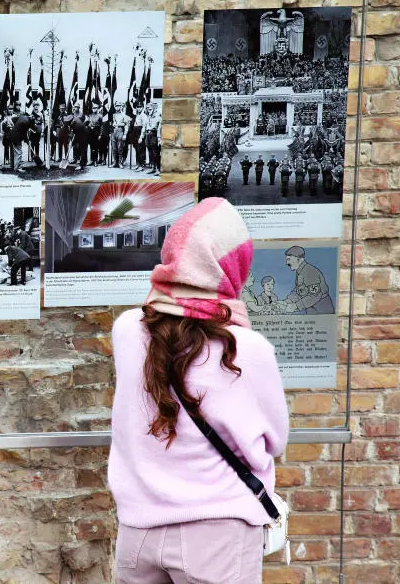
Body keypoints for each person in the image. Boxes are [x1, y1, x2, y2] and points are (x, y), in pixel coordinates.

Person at [108, 197, 288, 584]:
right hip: (217, 531)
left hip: (137, 530)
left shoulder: (126, 330)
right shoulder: (248, 349)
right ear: (232, 268)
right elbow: (275, 440)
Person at [284, 246, 334, 314]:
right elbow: (299, 291)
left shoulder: (310, 272)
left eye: (289, 259)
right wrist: (288, 301)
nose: (287, 263)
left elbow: (315, 296)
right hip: (312, 308)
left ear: (299, 259)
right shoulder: (301, 271)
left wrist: (295, 306)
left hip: (321, 309)